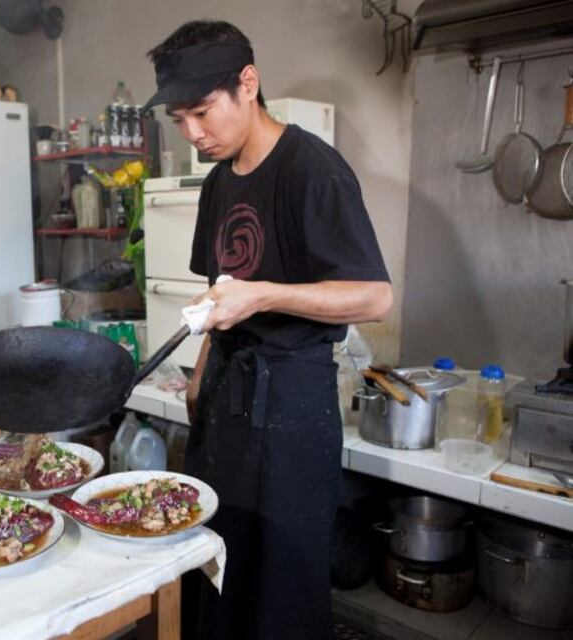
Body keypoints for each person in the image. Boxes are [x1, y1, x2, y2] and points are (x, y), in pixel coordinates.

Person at [144, 20, 393, 640]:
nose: (193, 133)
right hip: (225, 398)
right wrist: (201, 381)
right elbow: (222, 293)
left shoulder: (314, 170)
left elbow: (376, 296)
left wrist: (266, 295)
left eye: (201, 112)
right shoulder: (219, 181)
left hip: (291, 406)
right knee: (216, 562)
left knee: (279, 583)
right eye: (180, 119)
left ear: (247, 84)